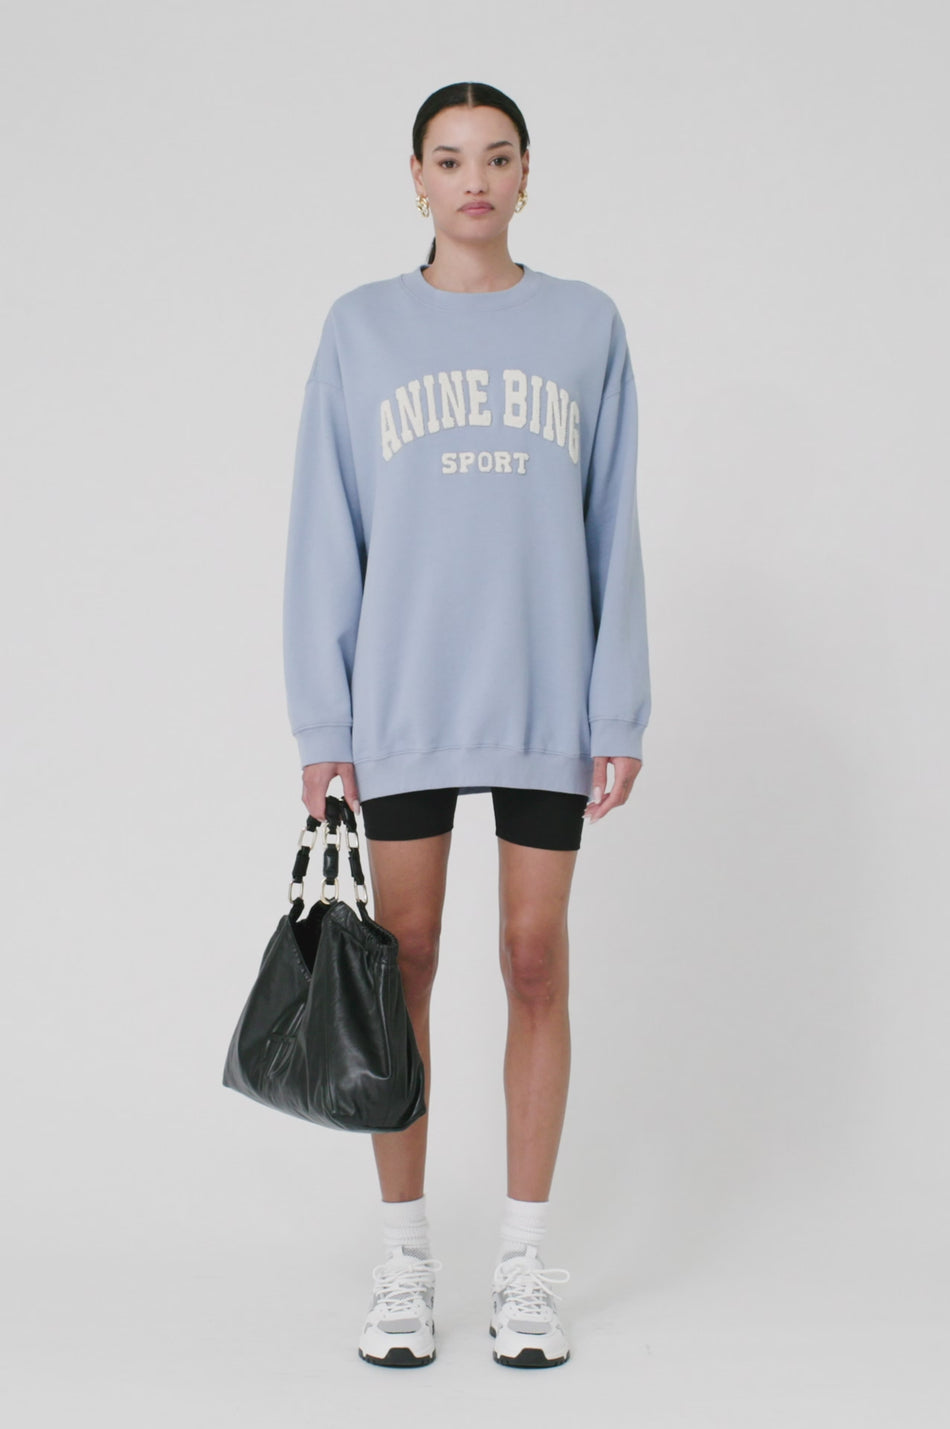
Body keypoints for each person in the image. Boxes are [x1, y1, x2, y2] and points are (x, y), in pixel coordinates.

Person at [282, 81, 651, 1369]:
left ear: (527, 173)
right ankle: (404, 1262)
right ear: (418, 178)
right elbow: (325, 528)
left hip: (547, 689)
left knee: (535, 958)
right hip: (403, 696)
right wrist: (324, 718)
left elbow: (613, 524)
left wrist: (618, 701)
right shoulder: (361, 328)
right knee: (407, 961)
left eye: (497, 157)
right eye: (449, 160)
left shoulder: (587, 325)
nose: (474, 180)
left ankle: (526, 1266)